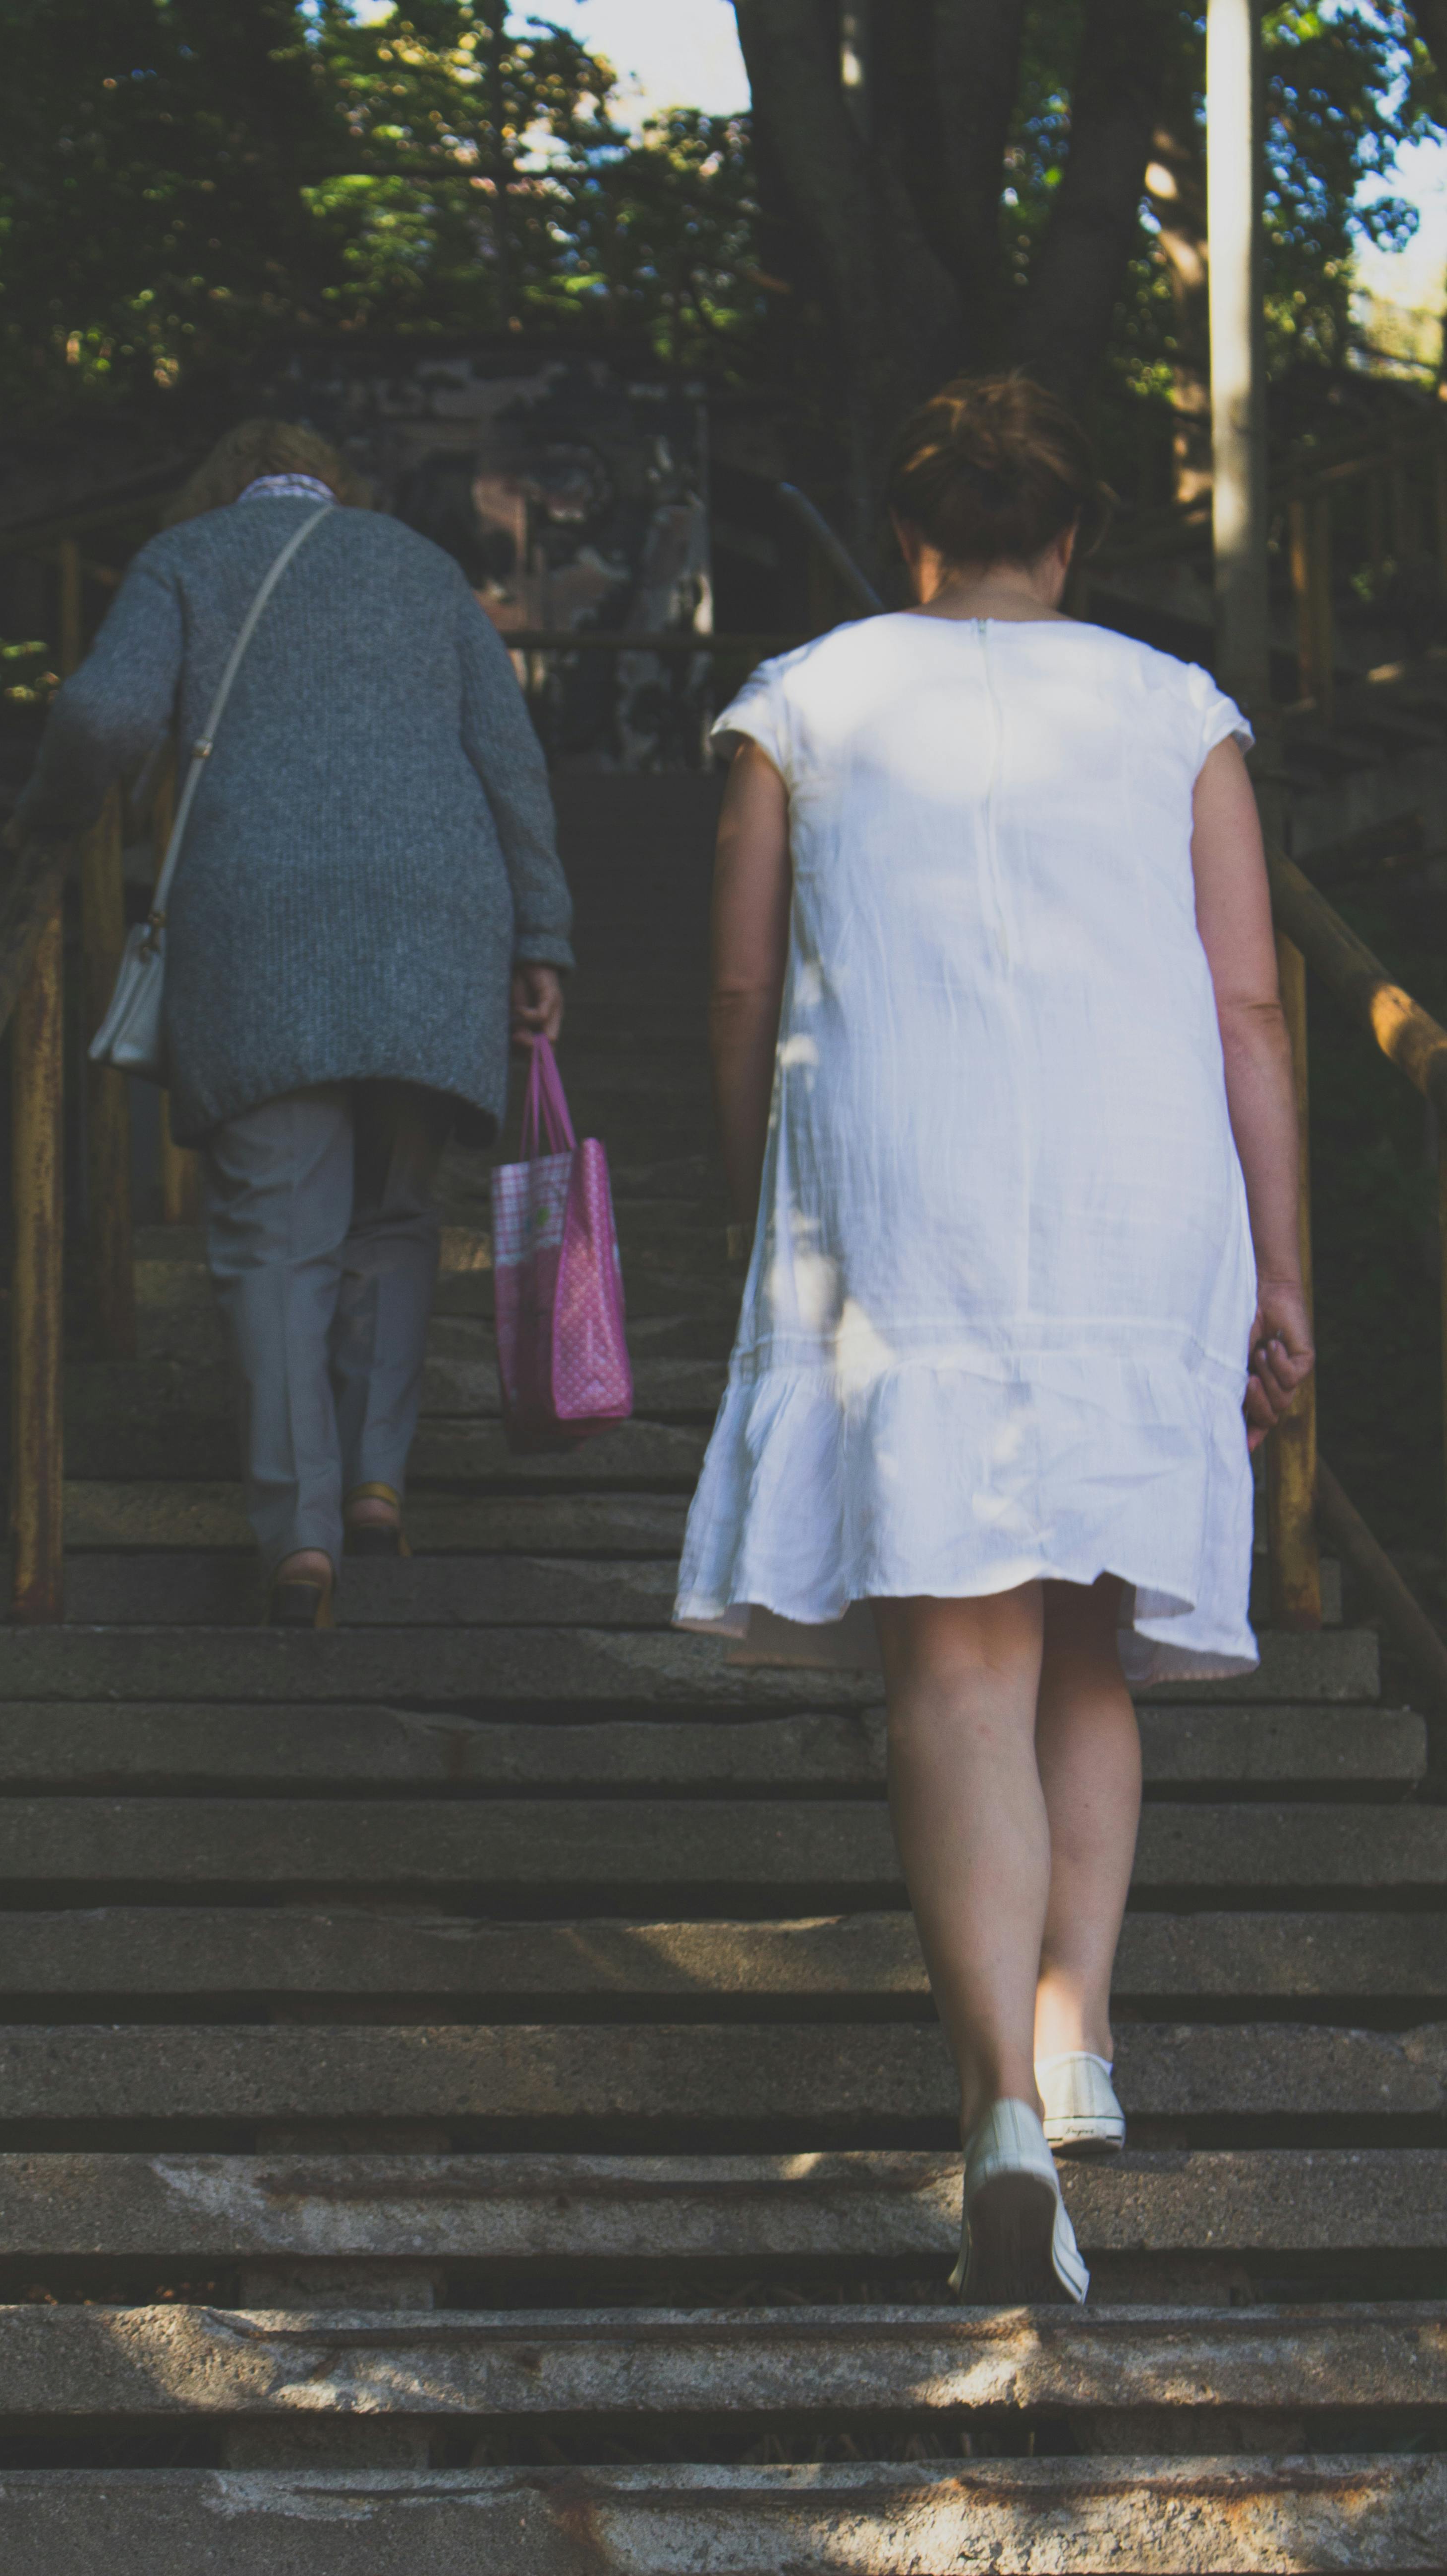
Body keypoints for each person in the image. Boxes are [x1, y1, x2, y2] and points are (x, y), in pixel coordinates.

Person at [674, 375, 1312, 2304]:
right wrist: (1285, 1274)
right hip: (1140, 1198)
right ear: (1074, 539)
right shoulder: (1174, 714)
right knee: (1087, 1641)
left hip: (906, 1183)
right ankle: (1075, 2032)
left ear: (914, 535)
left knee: (956, 1667)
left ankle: (999, 2127)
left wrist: (763, 1209)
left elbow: (735, 979)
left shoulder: (806, 697)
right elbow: (1253, 1008)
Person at [14, 419, 574, 1624]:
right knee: (398, 1213)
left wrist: (46, 820)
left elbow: (102, 720)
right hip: (439, 920)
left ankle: (298, 1536)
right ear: (343, 490)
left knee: (278, 1234)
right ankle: (378, 1481)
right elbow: (511, 761)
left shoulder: (185, 559)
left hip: (263, 923)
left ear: (217, 489)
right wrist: (542, 936)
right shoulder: (420, 567)